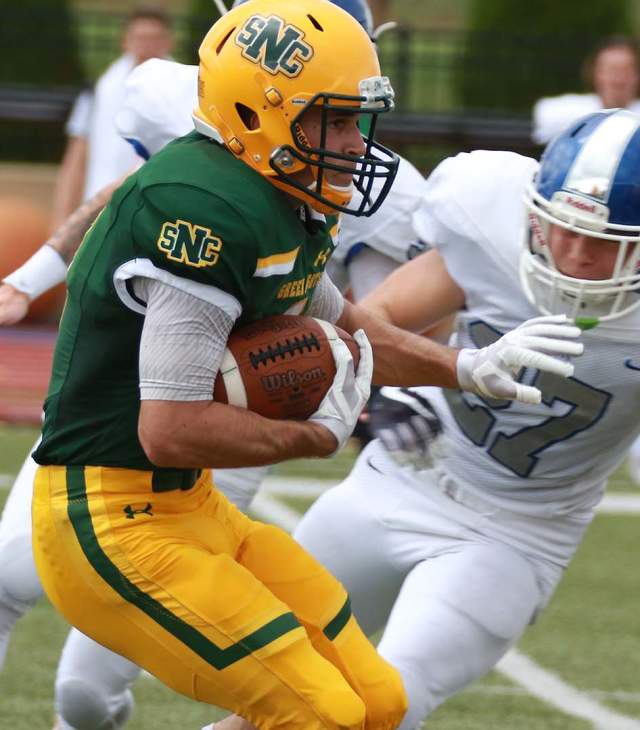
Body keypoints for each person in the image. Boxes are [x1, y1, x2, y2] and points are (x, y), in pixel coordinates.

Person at [24, 1, 582, 728]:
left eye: (359, 121)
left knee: (380, 703)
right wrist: (313, 436)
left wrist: (467, 367)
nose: (356, 144)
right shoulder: (199, 209)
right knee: (323, 716)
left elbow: (345, 322)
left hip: (186, 507)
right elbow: (168, 428)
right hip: (109, 520)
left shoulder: (273, 192)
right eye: (337, 121)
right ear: (257, 115)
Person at [289, 108, 640, 729]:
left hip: (515, 532)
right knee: (265, 678)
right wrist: (380, 391)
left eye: (608, 242)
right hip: (403, 472)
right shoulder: (489, 215)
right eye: (563, 229)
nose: (577, 255)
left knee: (384, 704)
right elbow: (377, 317)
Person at [49, 6, 174, 230]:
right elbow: (77, 154)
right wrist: (62, 221)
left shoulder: (184, 92)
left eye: (154, 38)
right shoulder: (98, 90)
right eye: (140, 38)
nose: (147, 46)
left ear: (168, 42)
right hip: (100, 208)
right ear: (125, 41)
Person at [532, 35, 640, 144]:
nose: (619, 78)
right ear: (596, 74)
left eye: (626, 70)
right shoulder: (565, 111)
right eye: (611, 70)